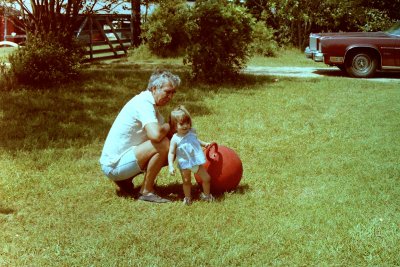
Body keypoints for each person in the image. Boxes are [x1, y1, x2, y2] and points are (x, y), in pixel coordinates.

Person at [99, 70, 181, 203]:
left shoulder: (149, 104)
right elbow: (156, 135)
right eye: (167, 91)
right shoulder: (144, 104)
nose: (171, 96)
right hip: (113, 166)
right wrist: (169, 125)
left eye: (173, 93)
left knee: (171, 144)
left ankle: (125, 181)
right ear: (154, 88)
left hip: (115, 161)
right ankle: (146, 192)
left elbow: (171, 136)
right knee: (163, 144)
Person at [168, 105, 215, 205]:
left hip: (196, 162)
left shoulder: (191, 133)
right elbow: (171, 152)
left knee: (207, 178)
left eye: (187, 122)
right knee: (186, 181)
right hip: (184, 164)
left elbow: (196, 141)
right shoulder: (175, 138)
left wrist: (205, 144)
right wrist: (171, 165)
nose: (185, 126)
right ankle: (187, 198)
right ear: (174, 126)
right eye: (181, 124)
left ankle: (206, 196)